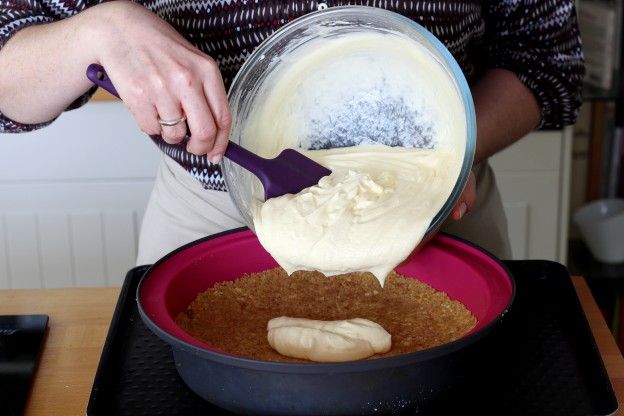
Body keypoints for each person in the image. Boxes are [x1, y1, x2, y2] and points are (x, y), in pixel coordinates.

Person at [0, 0, 584, 264]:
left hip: (439, 202)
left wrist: (452, 158)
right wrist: (94, 32)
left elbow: (544, 60)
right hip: (211, 215)